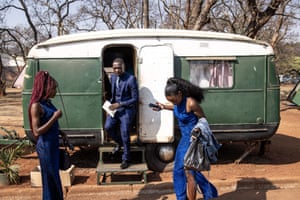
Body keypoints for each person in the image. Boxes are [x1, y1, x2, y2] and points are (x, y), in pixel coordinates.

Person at [153, 77, 219, 200]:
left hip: (194, 141)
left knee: (190, 174)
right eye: (170, 102)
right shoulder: (177, 103)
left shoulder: (191, 103)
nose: (173, 104)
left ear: (180, 94)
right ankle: (205, 194)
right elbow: (177, 108)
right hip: (184, 140)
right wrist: (163, 107)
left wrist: (198, 129)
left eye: (174, 101)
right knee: (178, 171)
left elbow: (203, 119)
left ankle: (202, 195)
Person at [28, 71, 67, 200]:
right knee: (50, 179)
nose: (55, 91)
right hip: (45, 147)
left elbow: (50, 124)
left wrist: (61, 133)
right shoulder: (36, 105)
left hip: (53, 145)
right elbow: (37, 131)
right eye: (53, 88)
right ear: (45, 88)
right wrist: (55, 117)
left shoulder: (48, 102)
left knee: (54, 177)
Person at [104, 57, 138, 169]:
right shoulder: (113, 77)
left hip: (127, 109)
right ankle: (121, 143)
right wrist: (109, 107)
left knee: (125, 133)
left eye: (119, 68)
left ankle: (126, 159)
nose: (117, 70)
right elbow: (113, 95)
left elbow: (135, 99)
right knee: (108, 127)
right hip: (115, 108)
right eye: (115, 68)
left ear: (123, 67)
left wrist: (120, 104)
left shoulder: (131, 79)